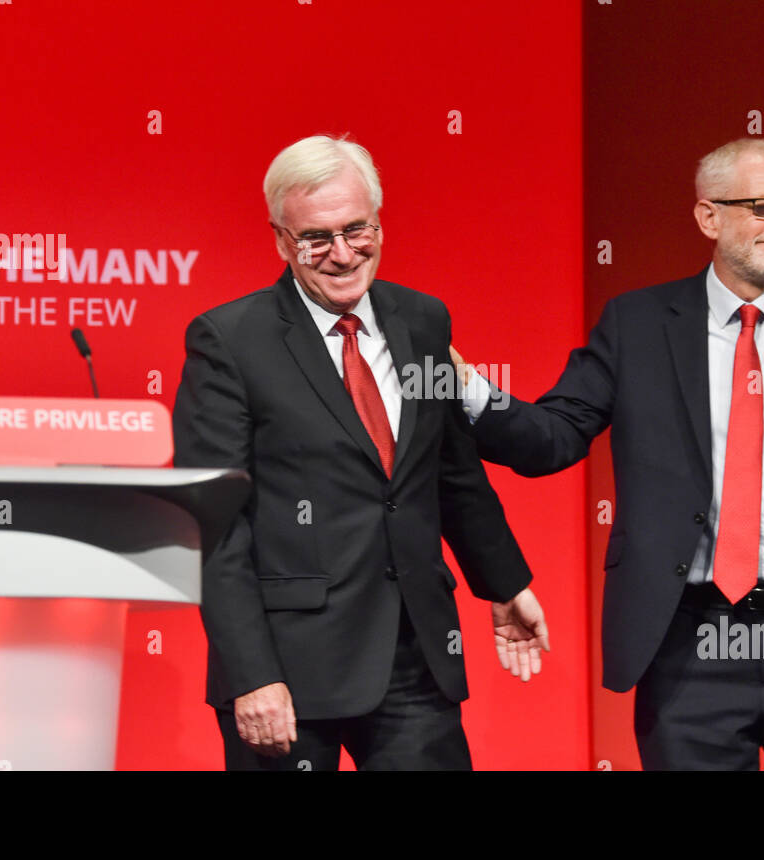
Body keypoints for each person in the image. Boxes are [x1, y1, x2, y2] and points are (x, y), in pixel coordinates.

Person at [453, 138, 764, 770]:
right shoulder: (636, 324)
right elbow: (553, 438)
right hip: (689, 647)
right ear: (708, 217)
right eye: (762, 207)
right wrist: (467, 391)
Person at [173, 134, 549, 771]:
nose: (343, 254)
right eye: (317, 237)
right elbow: (214, 525)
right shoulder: (230, 341)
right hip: (287, 671)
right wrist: (251, 674)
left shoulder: (424, 321)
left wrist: (505, 583)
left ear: (379, 222)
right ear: (281, 241)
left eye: (357, 229)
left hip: (414, 657)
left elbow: (450, 471)